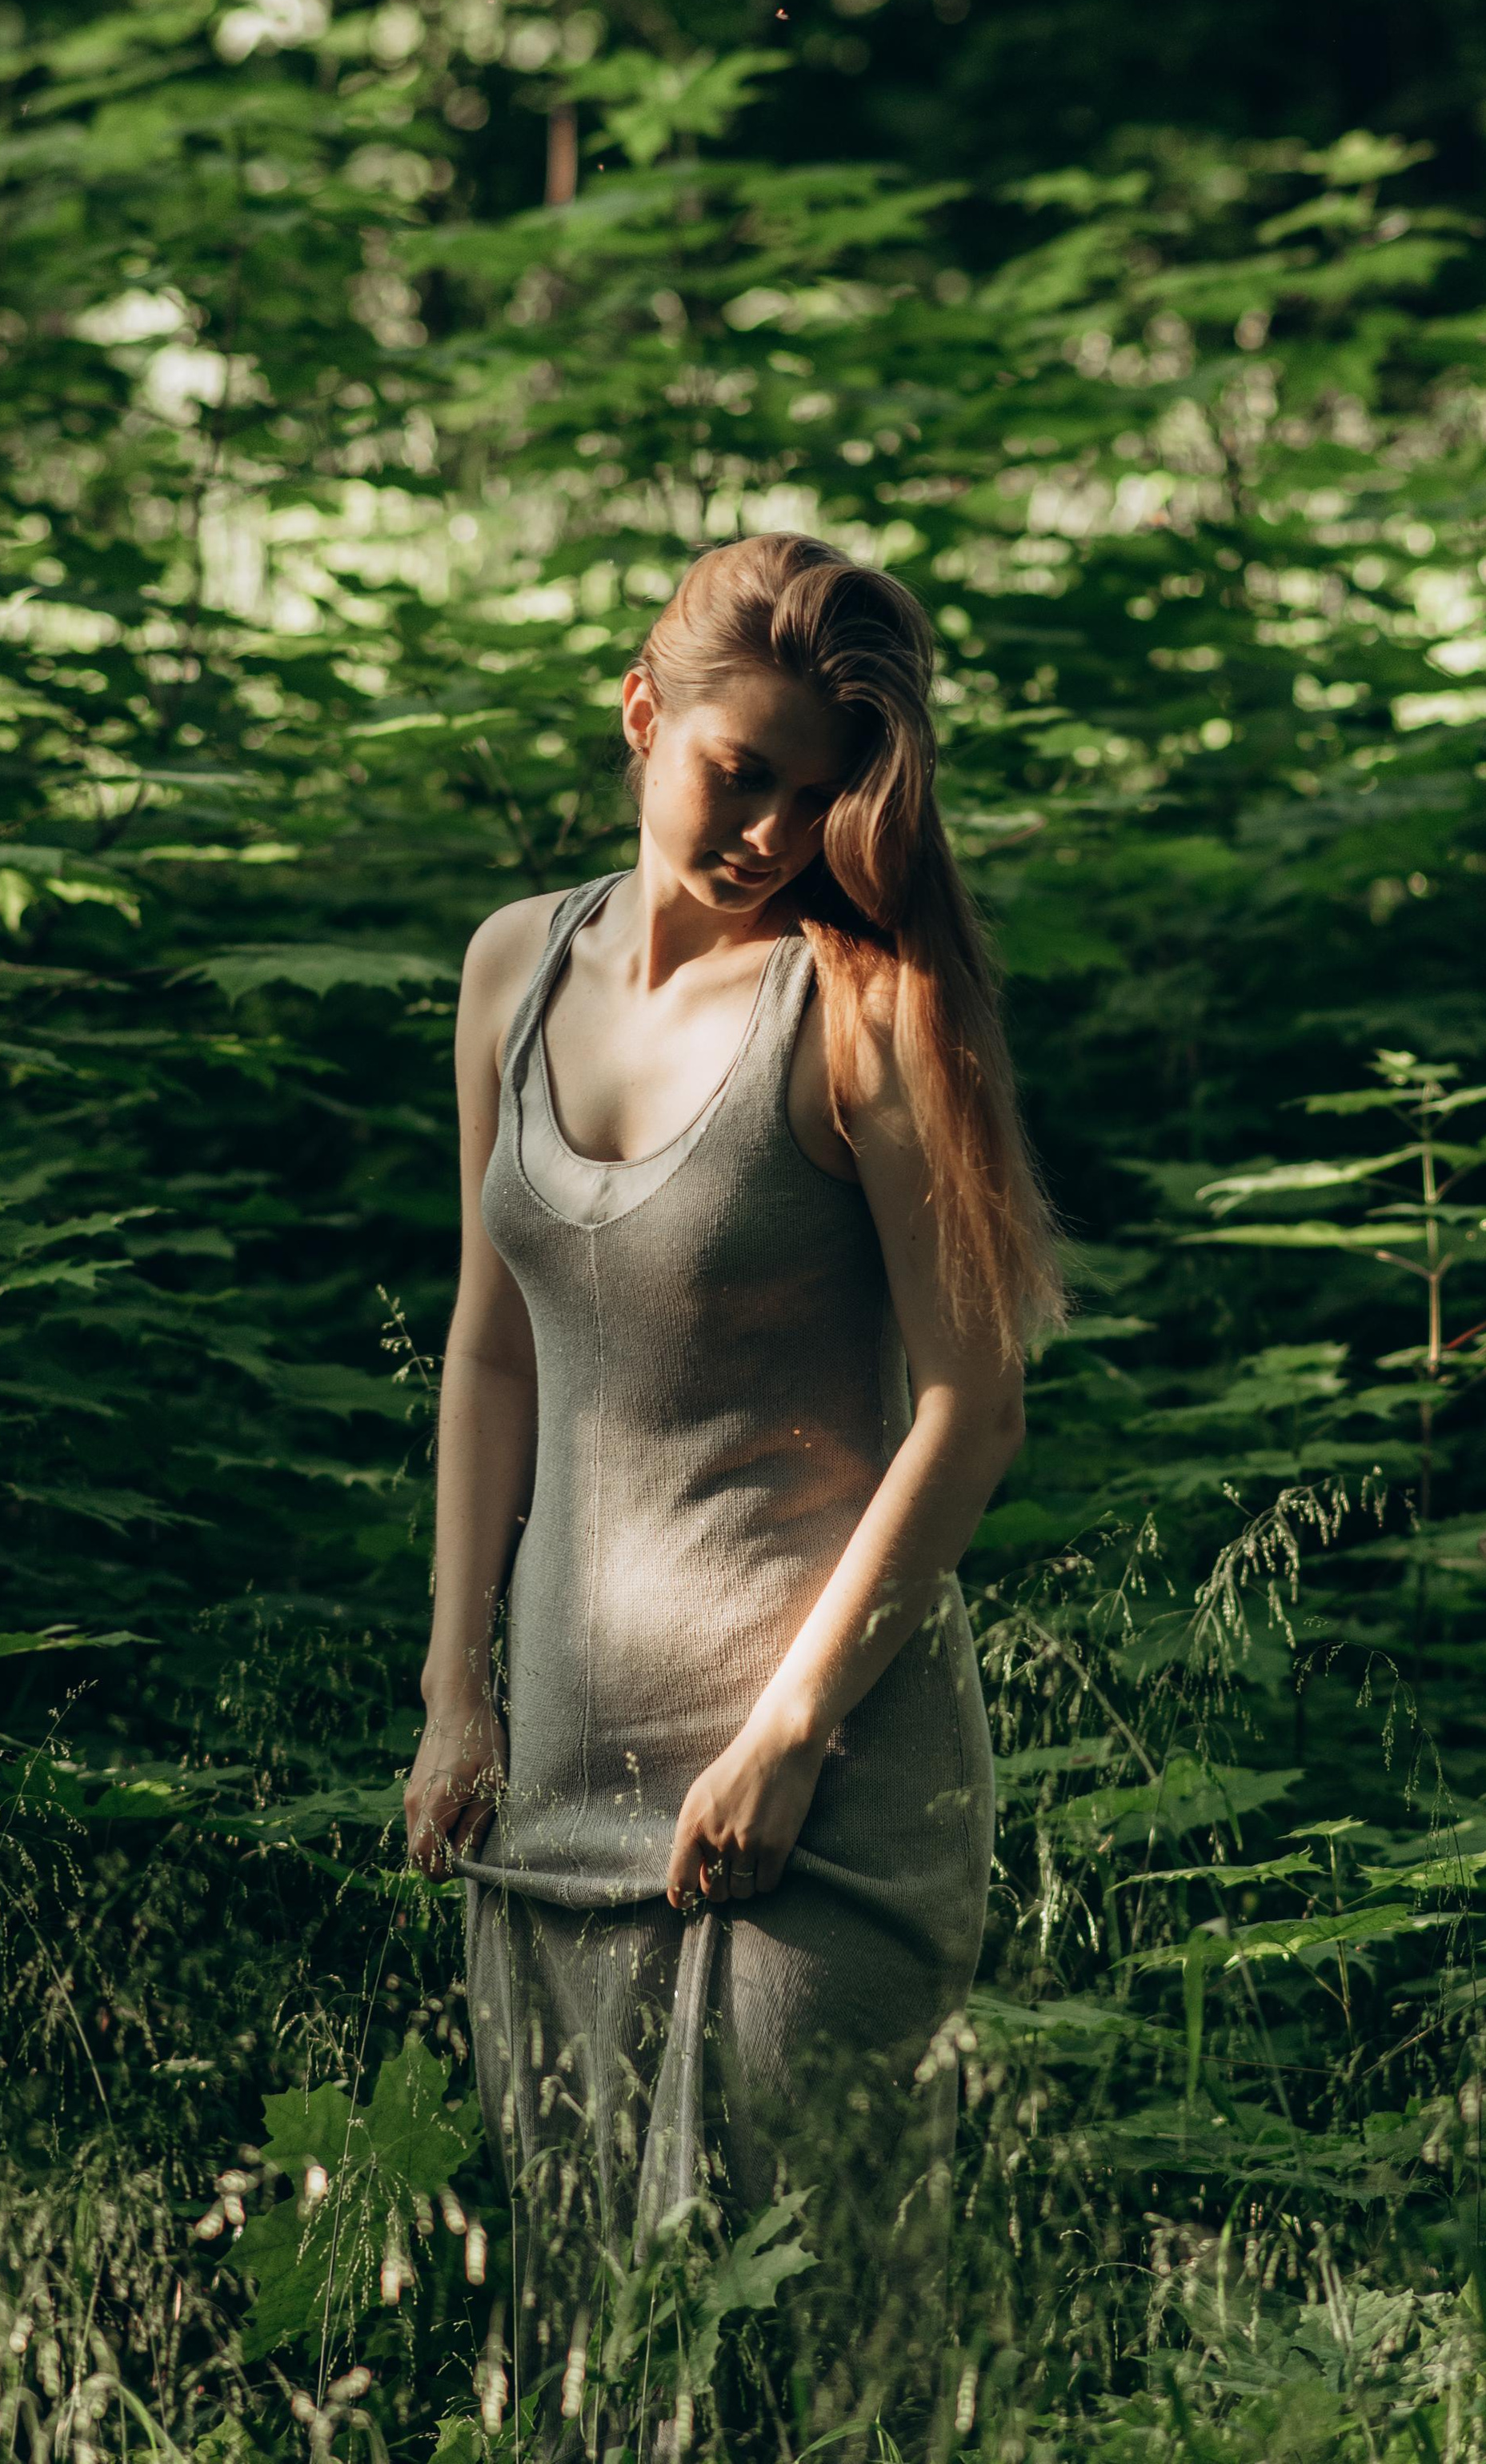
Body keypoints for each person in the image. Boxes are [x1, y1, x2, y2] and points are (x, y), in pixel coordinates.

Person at [403, 532, 1060, 2439]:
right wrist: (458, 1688)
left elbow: (972, 1409)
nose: (771, 827)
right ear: (640, 713)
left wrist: (782, 1740)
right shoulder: (511, 968)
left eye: (816, 789)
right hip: (553, 1798)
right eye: (737, 771)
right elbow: (493, 1342)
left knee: (812, 2373)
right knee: (596, 2365)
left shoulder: (861, 1009)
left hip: (809, 1806)